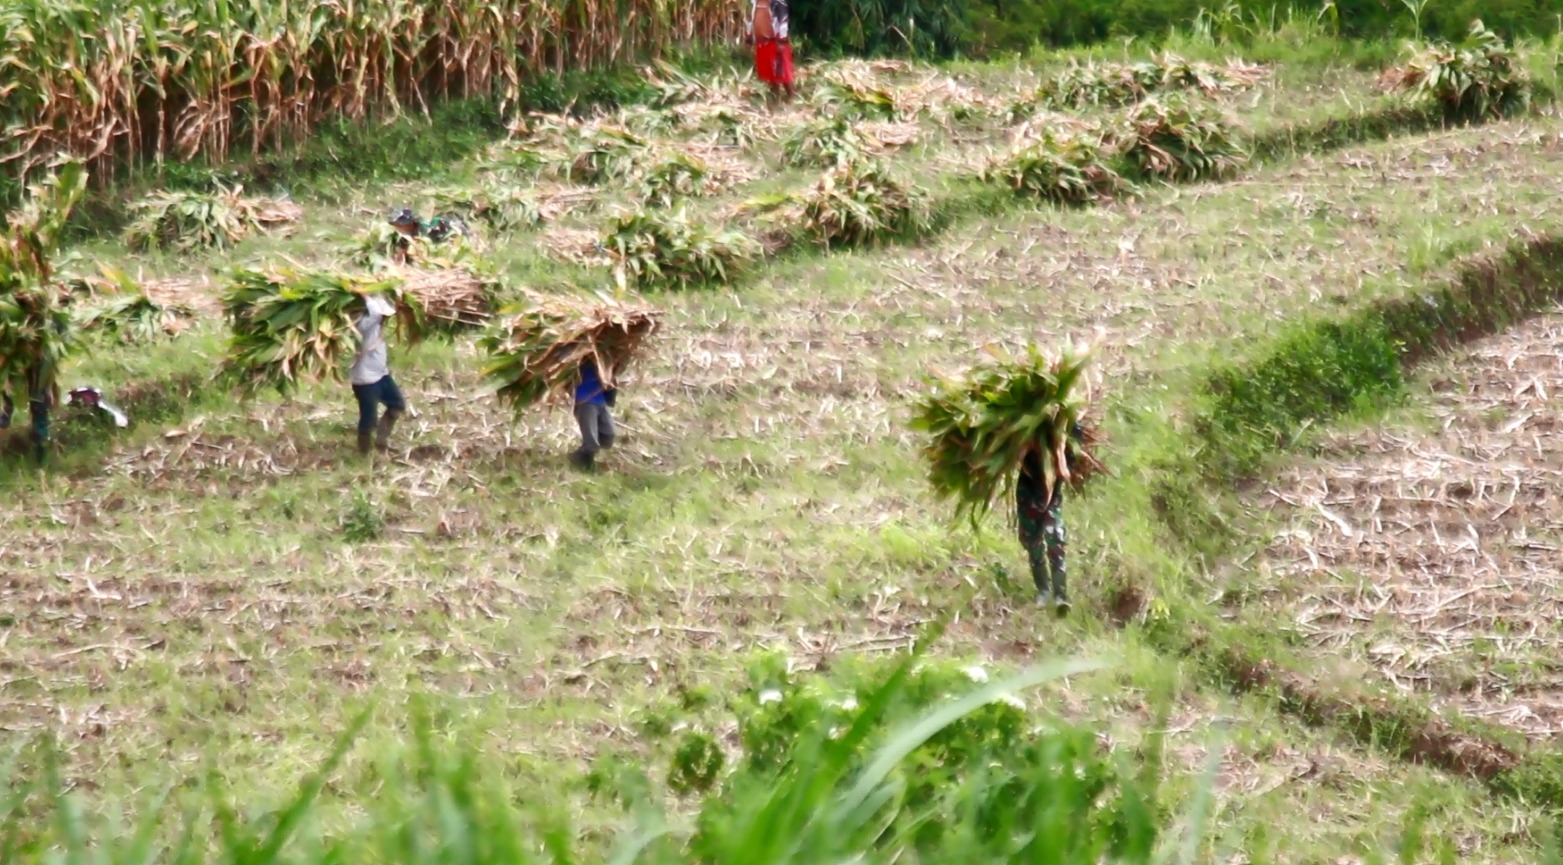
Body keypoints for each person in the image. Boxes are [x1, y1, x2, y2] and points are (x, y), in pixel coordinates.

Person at [1016, 421, 1086, 616]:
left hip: (1051, 493)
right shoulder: (1028, 422)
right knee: (1033, 541)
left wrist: (1060, 456)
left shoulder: (1068, 427)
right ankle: (1043, 591)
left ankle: (1061, 596)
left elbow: (1071, 460)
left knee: (1055, 537)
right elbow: (1017, 451)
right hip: (1028, 491)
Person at [349, 292, 406, 455]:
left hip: (381, 375)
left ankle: (381, 442)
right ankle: (364, 453)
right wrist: (366, 296)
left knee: (397, 405)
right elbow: (375, 313)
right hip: (365, 381)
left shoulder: (376, 325)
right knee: (369, 420)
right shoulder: (363, 325)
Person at [569, 357, 617, 471]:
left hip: (601, 401)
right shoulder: (579, 359)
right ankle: (584, 466)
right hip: (585, 402)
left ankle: (581, 455)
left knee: (609, 435)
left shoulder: (604, 359)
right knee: (591, 443)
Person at [748, 0, 795, 100]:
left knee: (782, 73)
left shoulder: (778, 2)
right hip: (763, 42)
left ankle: (793, 99)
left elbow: (783, 20)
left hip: (776, 41)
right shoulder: (754, 3)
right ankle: (775, 100)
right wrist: (749, 37)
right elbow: (751, 20)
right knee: (771, 75)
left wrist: (782, 40)